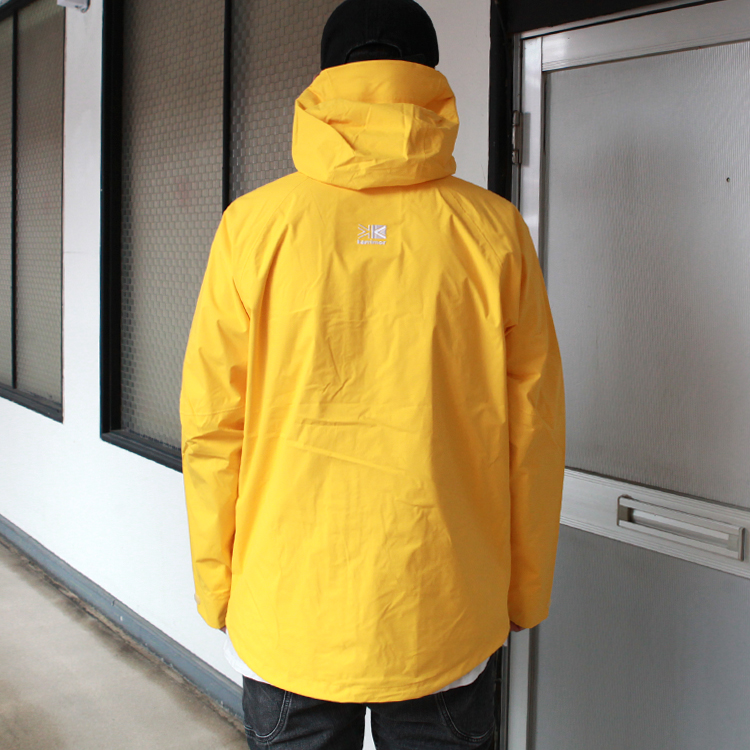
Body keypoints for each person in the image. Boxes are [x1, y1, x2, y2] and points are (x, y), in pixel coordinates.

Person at [180, 0, 565, 747]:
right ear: (429, 81)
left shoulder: (252, 228)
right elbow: (535, 432)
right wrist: (524, 589)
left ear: (326, 82)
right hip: (444, 609)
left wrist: (216, 585)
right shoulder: (493, 232)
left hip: (286, 612)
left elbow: (211, 427)